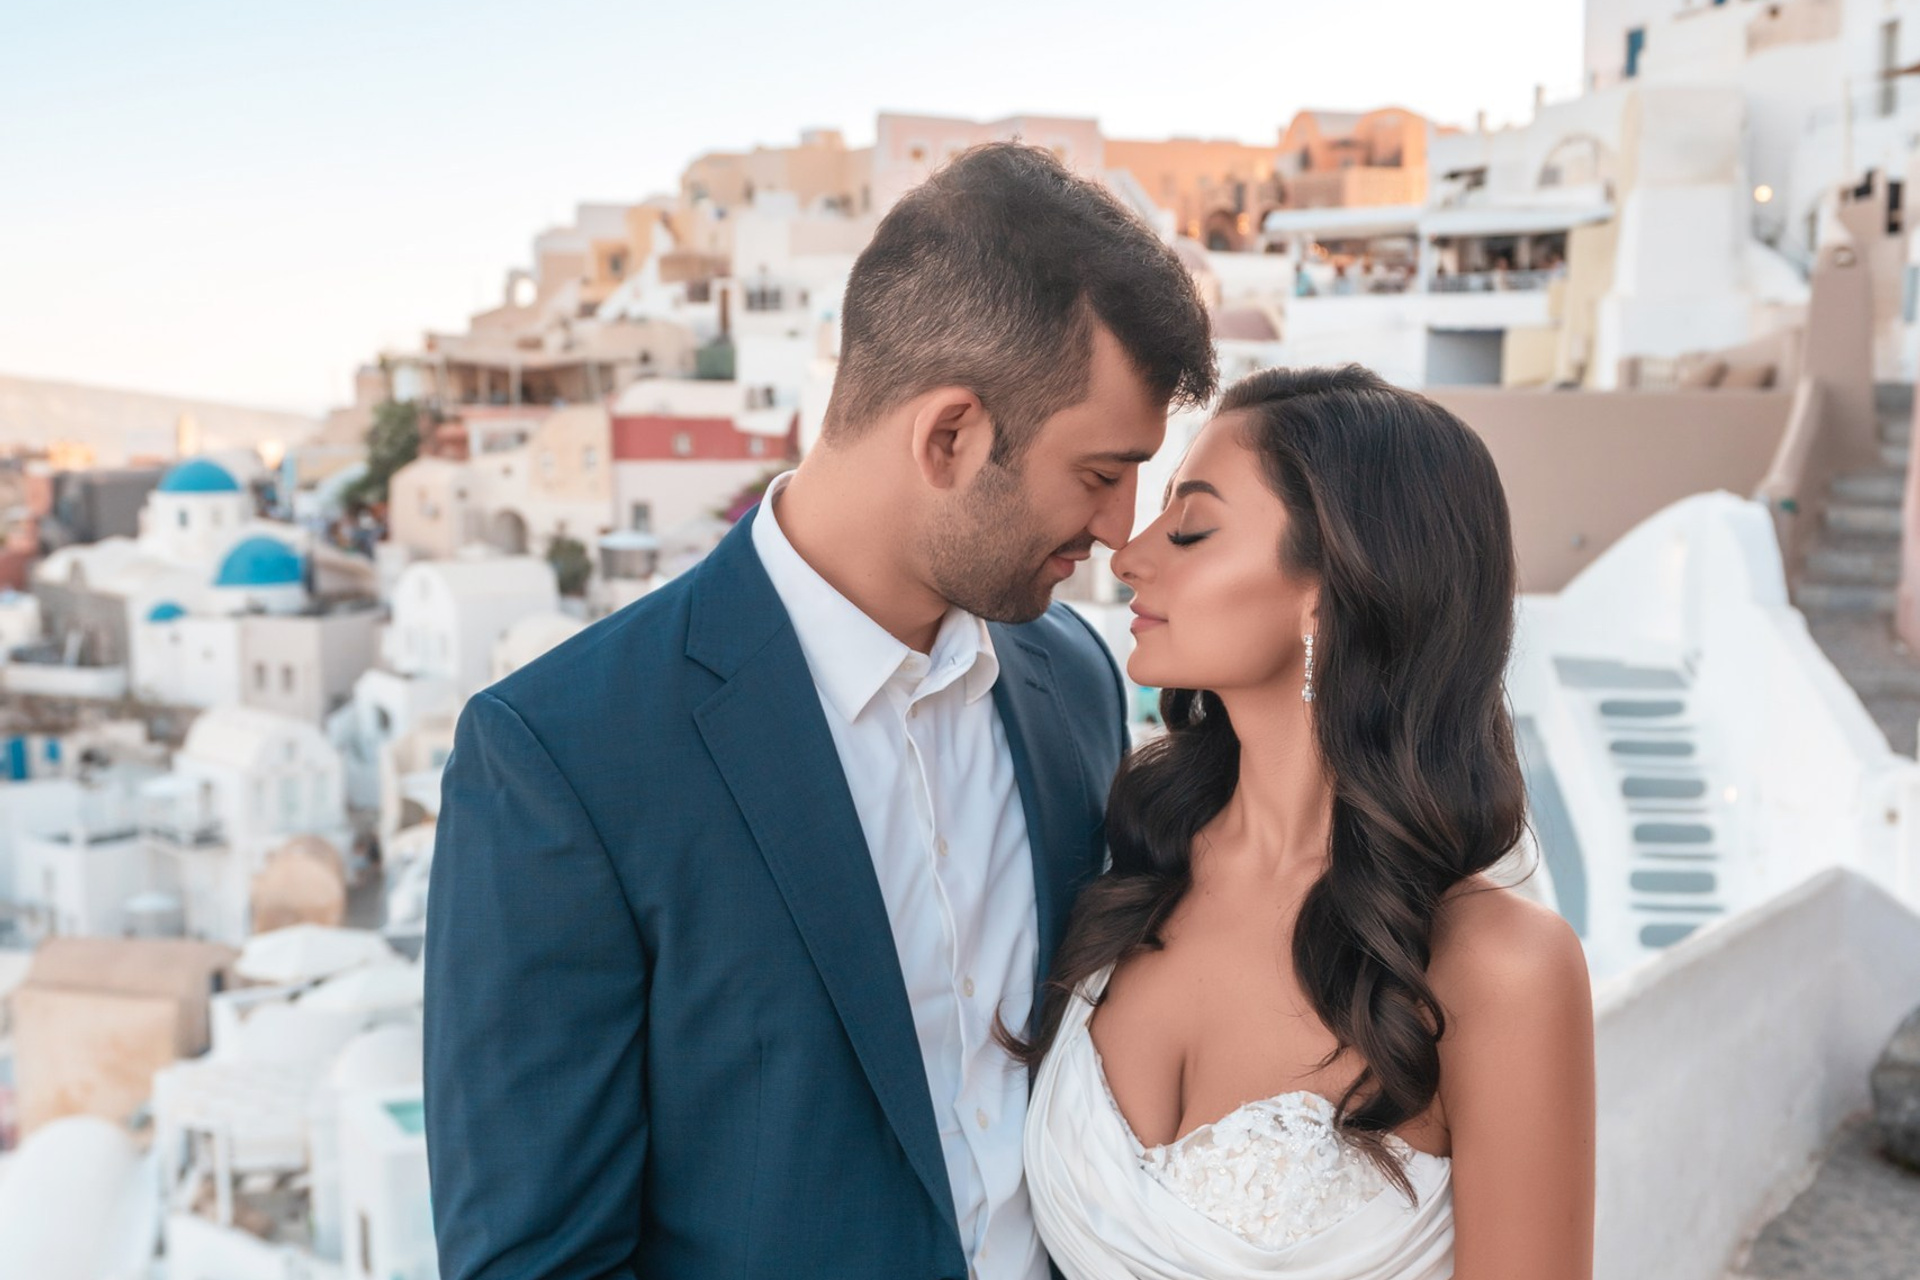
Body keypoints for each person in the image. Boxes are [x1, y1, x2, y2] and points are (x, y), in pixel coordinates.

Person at [422, 142, 1216, 1280]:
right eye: (1099, 472)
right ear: (951, 434)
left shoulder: (1073, 681)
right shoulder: (564, 758)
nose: (1116, 527)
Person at [1018, 366, 1596, 1280]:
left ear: (1331, 588)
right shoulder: (1124, 865)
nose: (1129, 556)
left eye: (1193, 527)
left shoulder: (1501, 970)